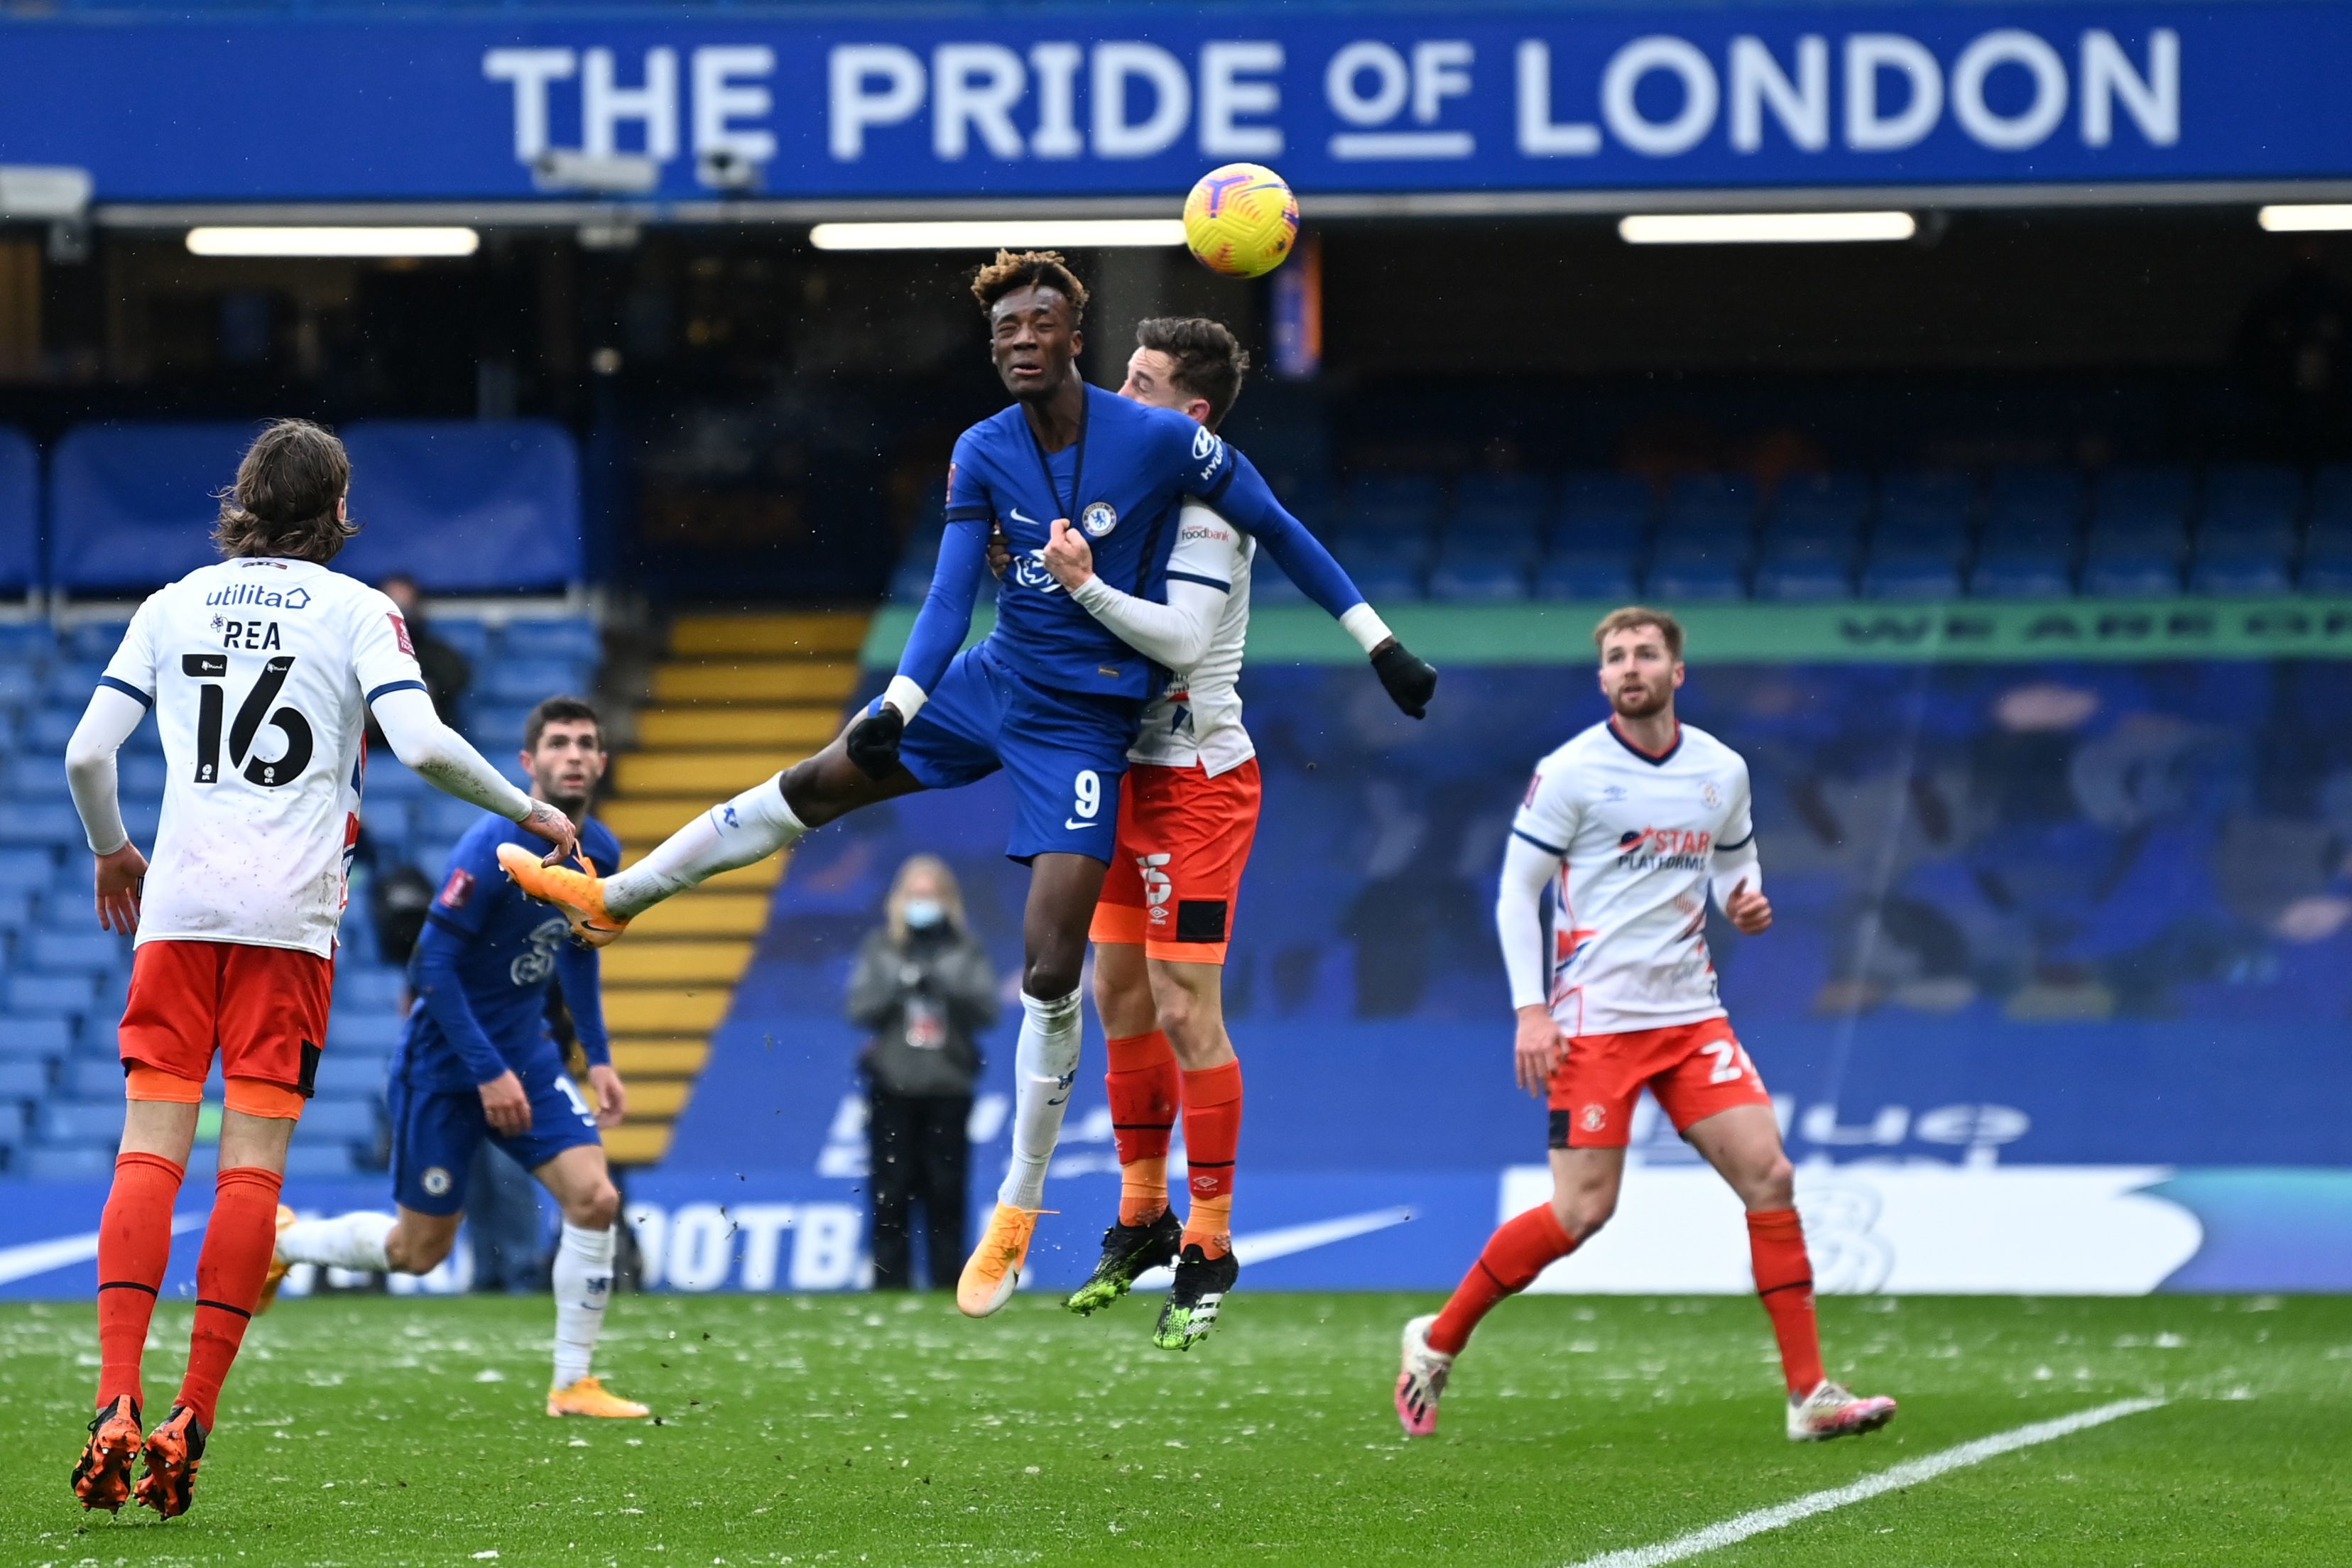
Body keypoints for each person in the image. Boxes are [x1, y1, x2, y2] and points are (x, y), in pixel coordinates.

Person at [501, 250, 1437, 1321]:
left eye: (1041, 324)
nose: (1020, 342)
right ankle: (617, 897)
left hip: (1096, 733)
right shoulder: (981, 449)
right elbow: (949, 598)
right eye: (1003, 330)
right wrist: (898, 702)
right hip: (995, 686)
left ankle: (1021, 1208)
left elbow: (1279, 527)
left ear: (1073, 336)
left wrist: (1380, 645)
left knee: (1053, 969)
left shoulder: (1172, 449)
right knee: (821, 779)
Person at [62, 420, 579, 1518]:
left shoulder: (171, 604)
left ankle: (114, 1398)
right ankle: (189, 1418)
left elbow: (86, 754)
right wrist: (530, 808)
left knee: (147, 1154)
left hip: (180, 909)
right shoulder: (358, 611)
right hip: (290, 922)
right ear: (340, 512)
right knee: (251, 1174)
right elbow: (426, 746)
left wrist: (114, 848)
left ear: (242, 500)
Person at [1393, 607, 1899, 1443]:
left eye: (1646, 654)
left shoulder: (1721, 769)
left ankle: (1809, 1396)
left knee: (1770, 1178)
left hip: (1693, 1018)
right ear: (1602, 680)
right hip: (1596, 1026)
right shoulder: (1572, 773)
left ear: (1677, 672)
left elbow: (1736, 859)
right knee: (1582, 1213)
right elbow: (1519, 891)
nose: (1630, 667)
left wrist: (1745, 897)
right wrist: (1531, 1009)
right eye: (1617, 657)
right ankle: (1437, 1342)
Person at [268, 697, 648, 1421]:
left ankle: (574, 1384)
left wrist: (597, 1059)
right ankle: (288, 1240)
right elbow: (430, 965)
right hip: (447, 1066)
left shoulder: (602, 849)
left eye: (586, 744)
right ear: (529, 765)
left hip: (529, 1059)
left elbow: (579, 954)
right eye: (559, 743)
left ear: (601, 762)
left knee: (595, 1198)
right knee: (419, 1251)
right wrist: (486, 1070)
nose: (574, 754)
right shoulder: (493, 843)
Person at [1019, 317, 1264, 1349]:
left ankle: (1210, 1241)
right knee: (1115, 992)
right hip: (1121, 776)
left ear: (1193, 414)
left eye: (1144, 379)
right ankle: (1142, 1214)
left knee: (1181, 1002)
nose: (1119, 390)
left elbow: (1183, 638)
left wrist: (1078, 580)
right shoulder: (1125, 496)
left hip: (1198, 785)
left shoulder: (1211, 511)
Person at [847, 854, 998, 1290]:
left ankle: (949, 1280)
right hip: (892, 1084)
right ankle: (890, 1283)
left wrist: (944, 988)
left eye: (931, 895)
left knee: (946, 1189)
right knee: (890, 1190)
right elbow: (859, 1007)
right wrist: (903, 986)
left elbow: (986, 1009)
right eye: (915, 895)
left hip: (948, 1084)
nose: (923, 903)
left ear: (948, 901)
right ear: (899, 899)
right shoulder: (882, 946)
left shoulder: (965, 948)